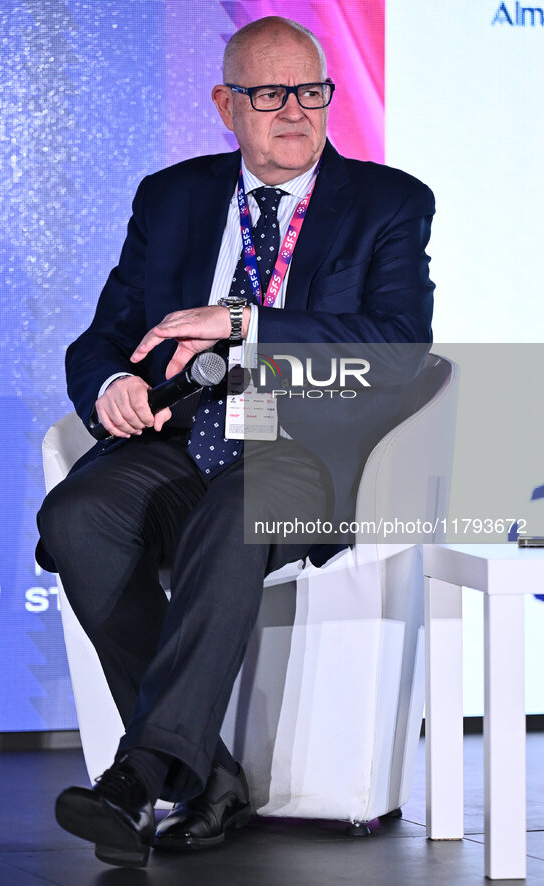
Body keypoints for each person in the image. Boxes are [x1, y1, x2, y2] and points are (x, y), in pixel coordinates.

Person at [37, 15, 435, 868]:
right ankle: (208, 776)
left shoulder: (386, 202)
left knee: (239, 506)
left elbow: (398, 345)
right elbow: (101, 337)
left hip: (302, 448)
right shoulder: (172, 198)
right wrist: (113, 387)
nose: (295, 112)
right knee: (77, 515)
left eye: (312, 92)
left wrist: (247, 323)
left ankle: (138, 774)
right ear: (226, 104)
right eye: (269, 94)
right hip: (180, 441)